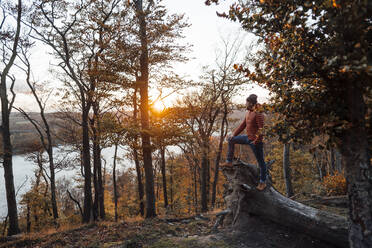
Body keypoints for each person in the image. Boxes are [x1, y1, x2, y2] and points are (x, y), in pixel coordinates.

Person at [221, 94, 267, 191]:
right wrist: (234, 134)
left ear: (250, 103)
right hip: (247, 138)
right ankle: (229, 162)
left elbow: (262, 130)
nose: (245, 104)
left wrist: (257, 140)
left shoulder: (258, 113)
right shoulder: (248, 112)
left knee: (261, 162)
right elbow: (243, 125)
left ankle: (263, 182)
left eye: (246, 102)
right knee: (231, 140)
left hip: (255, 141)